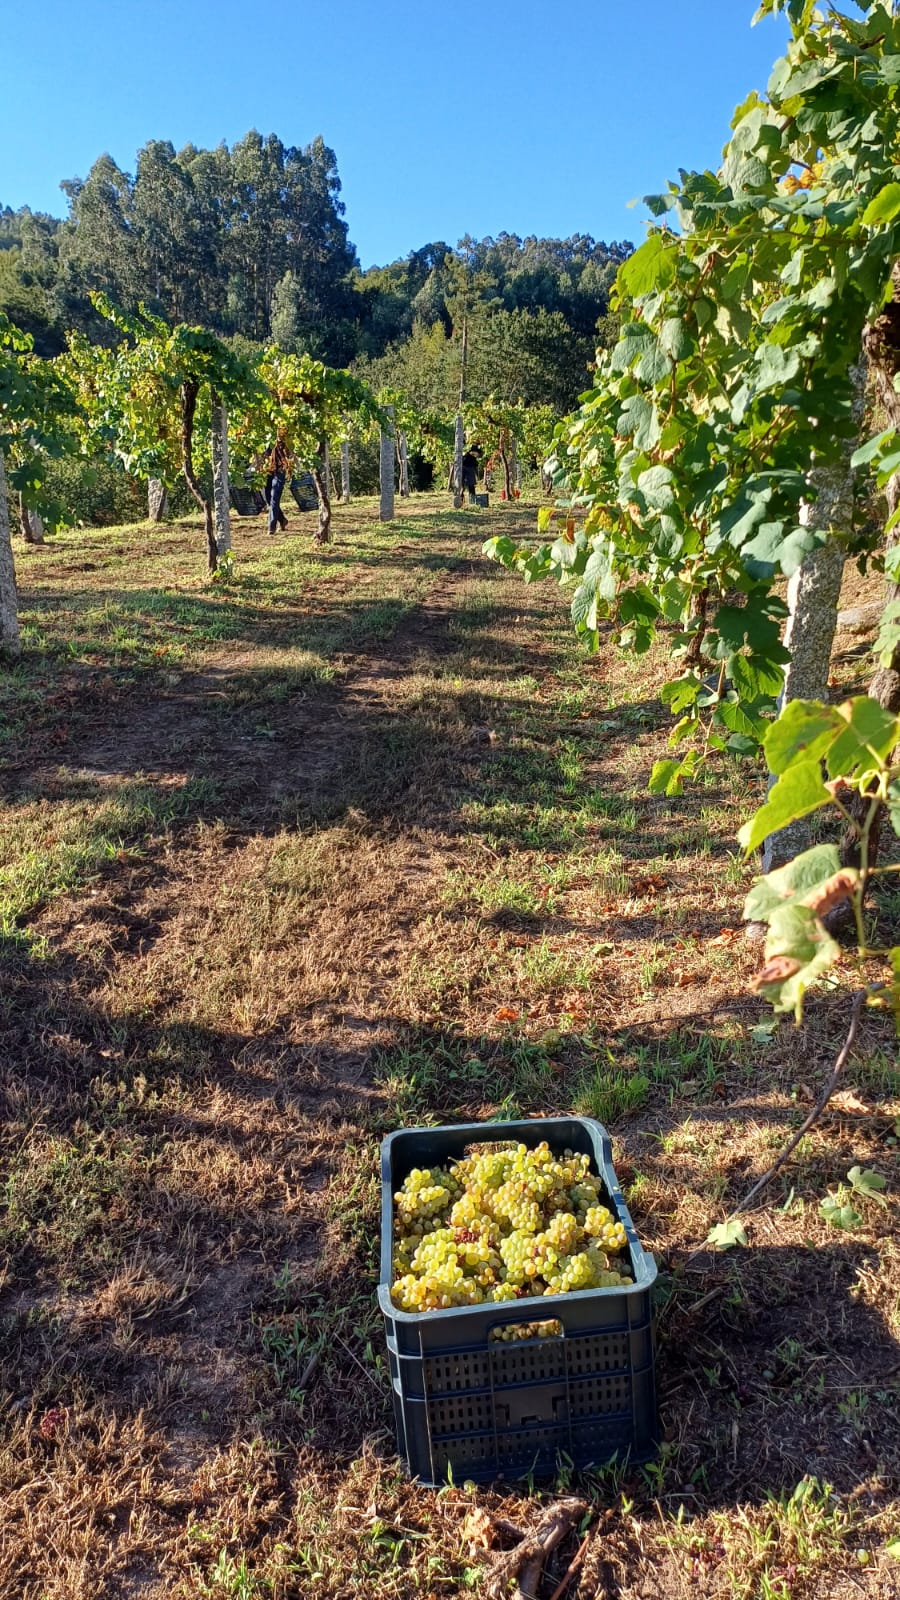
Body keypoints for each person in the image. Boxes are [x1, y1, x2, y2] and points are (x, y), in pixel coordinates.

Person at [265, 436, 291, 534]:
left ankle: (271, 527)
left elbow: (290, 452)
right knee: (268, 499)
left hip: (280, 470)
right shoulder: (264, 433)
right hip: (268, 469)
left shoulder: (282, 435)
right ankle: (282, 520)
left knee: (274, 497)